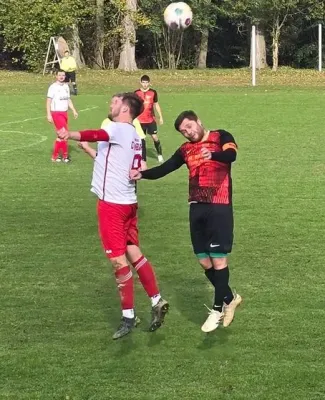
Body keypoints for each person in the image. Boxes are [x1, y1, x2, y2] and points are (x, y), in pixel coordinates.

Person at [57, 93, 169, 340]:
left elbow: (97, 135)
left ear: (126, 109)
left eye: (115, 102)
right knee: (134, 252)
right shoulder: (135, 136)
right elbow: (113, 164)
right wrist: (87, 150)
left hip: (112, 206)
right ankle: (156, 299)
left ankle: (128, 317)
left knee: (119, 262)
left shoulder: (117, 128)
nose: (110, 104)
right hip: (129, 203)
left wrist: (71, 134)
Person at [130, 110, 242, 333]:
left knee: (219, 262)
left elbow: (232, 156)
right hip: (196, 207)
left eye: (190, 126)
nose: (188, 132)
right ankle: (231, 298)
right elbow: (166, 167)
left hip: (219, 207)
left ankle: (217, 309)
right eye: (183, 131)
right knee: (204, 262)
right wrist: (142, 174)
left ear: (199, 121)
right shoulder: (185, 150)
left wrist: (213, 156)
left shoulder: (221, 137)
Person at [79, 110, 148, 170]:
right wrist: (87, 148)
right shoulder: (106, 122)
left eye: (115, 104)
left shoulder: (132, 120)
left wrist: (143, 160)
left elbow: (141, 140)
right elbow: (101, 155)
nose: (111, 107)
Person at [46, 69, 78, 163]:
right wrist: (48, 114)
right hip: (56, 113)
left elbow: (68, 99)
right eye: (59, 75)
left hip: (64, 113)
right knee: (64, 133)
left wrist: (74, 110)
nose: (61, 77)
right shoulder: (53, 87)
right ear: (56, 76)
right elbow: (48, 101)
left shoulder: (66, 86)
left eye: (63, 75)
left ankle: (56, 156)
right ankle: (65, 156)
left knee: (61, 135)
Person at [135, 75, 164, 163]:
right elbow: (133, 105)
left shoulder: (153, 92)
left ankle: (159, 155)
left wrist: (161, 116)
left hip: (150, 120)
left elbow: (156, 104)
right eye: (143, 82)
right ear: (140, 82)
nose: (145, 84)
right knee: (141, 139)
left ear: (149, 83)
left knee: (155, 137)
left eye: (146, 82)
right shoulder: (136, 93)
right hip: (140, 120)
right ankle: (143, 159)